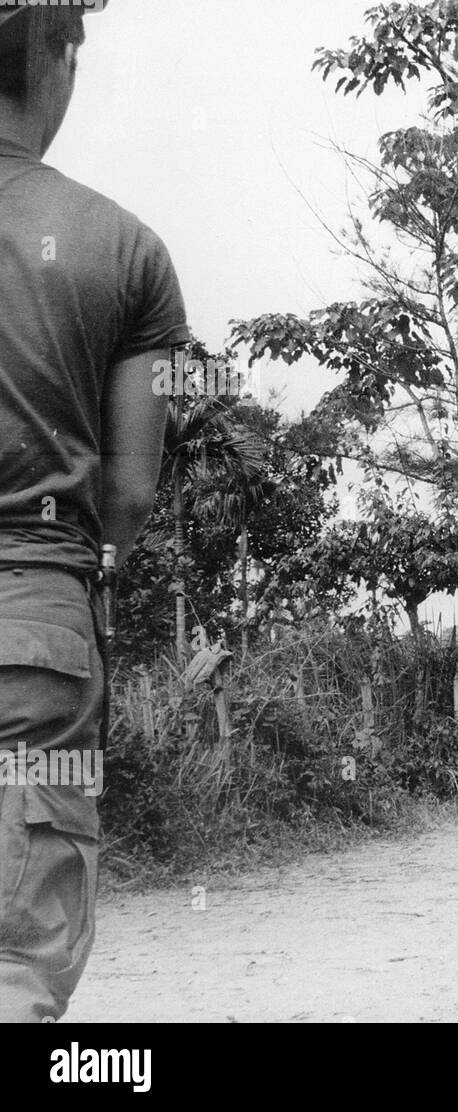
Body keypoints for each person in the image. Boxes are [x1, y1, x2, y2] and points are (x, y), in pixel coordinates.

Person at [0, 0, 188, 1022]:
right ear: (57, 55)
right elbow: (131, 490)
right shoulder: (126, 248)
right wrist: (89, 572)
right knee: (15, 955)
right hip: (36, 616)